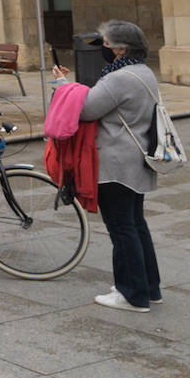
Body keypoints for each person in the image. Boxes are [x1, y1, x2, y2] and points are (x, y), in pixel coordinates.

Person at [52, 20, 163, 312]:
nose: (103, 48)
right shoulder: (143, 72)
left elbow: (87, 109)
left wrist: (62, 86)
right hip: (136, 160)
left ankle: (132, 294)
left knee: (121, 228)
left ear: (121, 48)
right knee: (136, 225)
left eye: (106, 43)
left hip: (116, 163)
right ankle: (149, 287)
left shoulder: (119, 77)